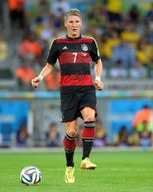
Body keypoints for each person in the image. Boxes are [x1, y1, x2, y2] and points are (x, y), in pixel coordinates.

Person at [31, 9, 104, 184]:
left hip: (86, 88)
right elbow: (50, 65)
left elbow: (98, 61)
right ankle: (69, 166)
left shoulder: (90, 42)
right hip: (68, 91)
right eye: (70, 22)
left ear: (81, 24)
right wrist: (40, 77)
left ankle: (85, 159)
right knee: (71, 131)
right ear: (65, 24)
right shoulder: (57, 43)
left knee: (89, 116)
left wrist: (98, 78)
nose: (74, 25)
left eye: (77, 22)